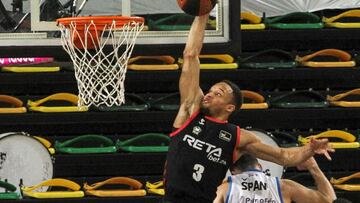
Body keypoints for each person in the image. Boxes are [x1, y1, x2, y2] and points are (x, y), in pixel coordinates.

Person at [162, 13, 334, 203]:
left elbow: (284, 156)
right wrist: (202, 14)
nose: (209, 94)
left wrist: (309, 150)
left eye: (218, 93)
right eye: (210, 90)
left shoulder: (238, 137)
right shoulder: (190, 111)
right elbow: (190, 55)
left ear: (230, 107)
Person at [213, 154, 336, 203]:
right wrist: (313, 166)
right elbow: (330, 200)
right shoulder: (284, 186)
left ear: (233, 171)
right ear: (260, 166)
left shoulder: (224, 188)